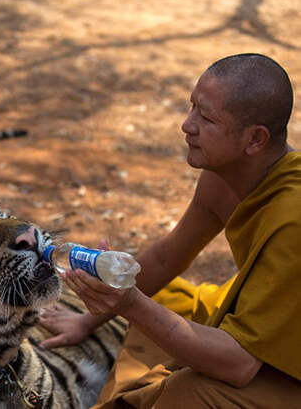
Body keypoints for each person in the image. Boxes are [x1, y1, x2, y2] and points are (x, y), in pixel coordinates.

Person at [40, 53, 301, 408]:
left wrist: (128, 303)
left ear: (254, 139)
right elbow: (166, 257)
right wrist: (89, 321)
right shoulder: (226, 175)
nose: (186, 125)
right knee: (163, 297)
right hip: (269, 316)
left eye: (205, 117)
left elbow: (239, 366)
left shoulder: (292, 219)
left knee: (187, 393)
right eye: (191, 107)